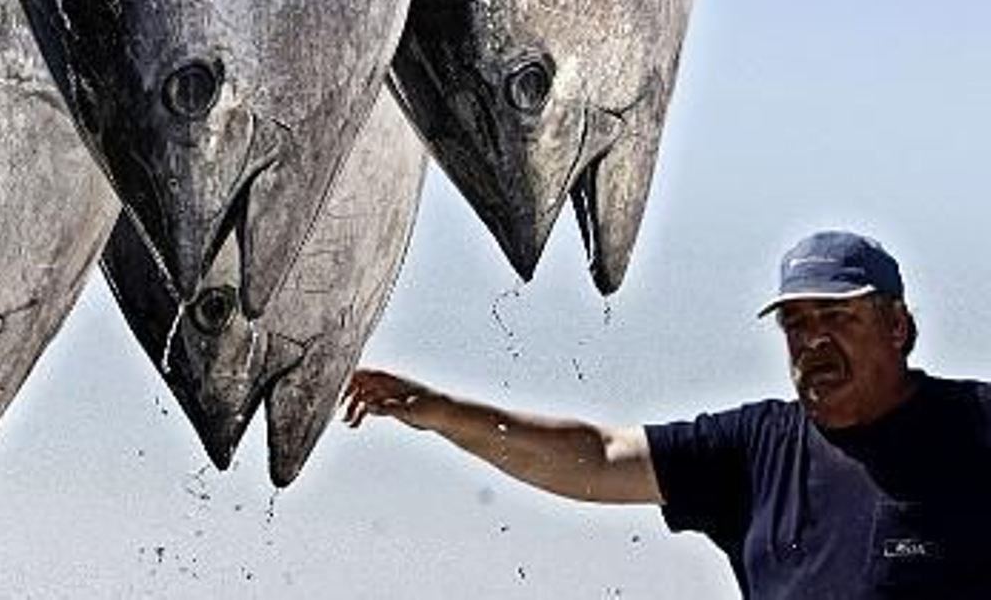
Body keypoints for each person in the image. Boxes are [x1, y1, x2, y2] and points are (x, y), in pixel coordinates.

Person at [342, 230, 991, 597]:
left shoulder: (974, 426)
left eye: (837, 317)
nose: (812, 340)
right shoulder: (755, 446)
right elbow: (598, 457)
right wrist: (443, 413)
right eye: (795, 322)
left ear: (898, 326)